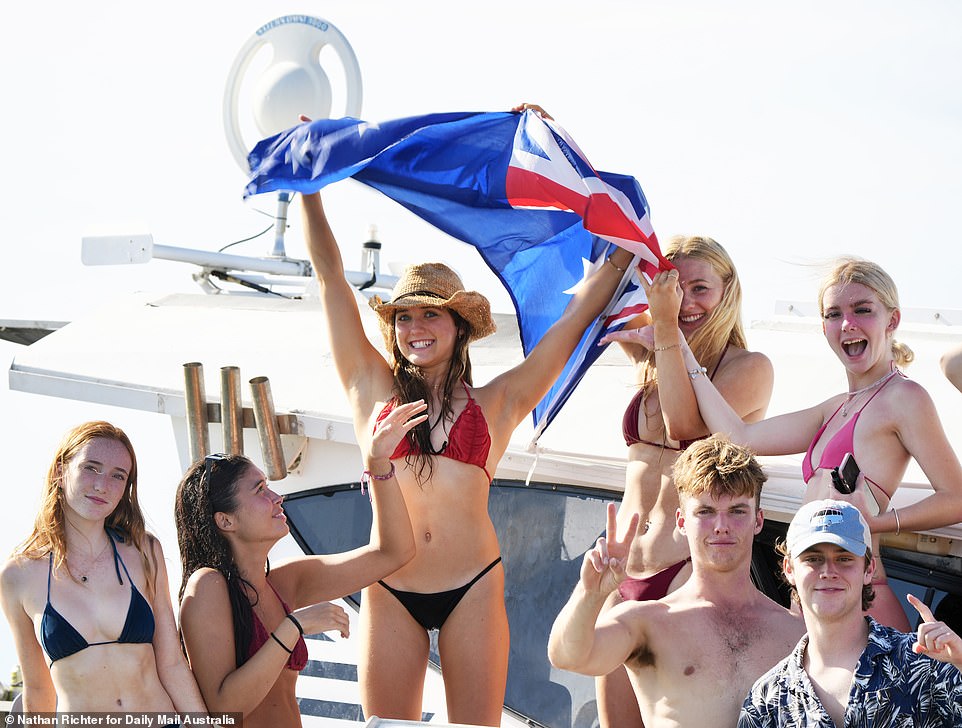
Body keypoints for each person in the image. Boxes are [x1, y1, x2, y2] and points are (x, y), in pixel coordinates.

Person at [300, 175, 635, 722]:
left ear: (458, 326)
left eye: (431, 314)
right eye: (404, 317)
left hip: (472, 585)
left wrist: (623, 254)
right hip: (391, 584)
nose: (415, 327)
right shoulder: (370, 387)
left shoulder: (498, 402)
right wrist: (308, 189)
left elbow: (574, 323)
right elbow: (330, 279)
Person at [678, 257, 962, 630]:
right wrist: (680, 349)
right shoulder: (833, 408)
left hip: (861, 600)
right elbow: (739, 437)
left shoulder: (905, 398)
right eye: (833, 314)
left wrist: (875, 523)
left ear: (892, 320)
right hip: (811, 600)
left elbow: (955, 497)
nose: (847, 324)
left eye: (862, 310)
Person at [593, 235, 774, 728]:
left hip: (682, 572)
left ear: (728, 291)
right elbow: (594, 303)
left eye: (701, 288)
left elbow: (687, 431)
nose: (687, 301)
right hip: (620, 570)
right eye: (674, 286)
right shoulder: (654, 354)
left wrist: (666, 327)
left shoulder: (748, 368)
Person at [175, 400, 421, 728]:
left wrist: (377, 463)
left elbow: (394, 552)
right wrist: (293, 627)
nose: (278, 497)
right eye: (260, 489)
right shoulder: (207, 586)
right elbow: (223, 711)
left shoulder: (284, 582)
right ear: (226, 520)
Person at [548, 435, 804, 728]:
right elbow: (567, 656)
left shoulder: (795, 634)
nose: (721, 527)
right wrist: (589, 594)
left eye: (736, 511)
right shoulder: (648, 624)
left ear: (758, 520)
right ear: (682, 522)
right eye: (705, 512)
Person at [0, 421, 206, 714]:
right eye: (91, 468)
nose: (102, 485)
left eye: (118, 476)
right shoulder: (18, 575)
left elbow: (171, 663)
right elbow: (37, 688)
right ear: (60, 472)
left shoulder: (144, 551)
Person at [739, 499, 962, 727]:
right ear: (789, 569)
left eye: (844, 559)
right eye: (813, 559)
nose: (828, 571)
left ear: (869, 569)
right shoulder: (766, 701)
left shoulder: (925, 662)